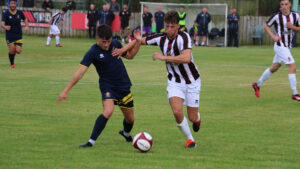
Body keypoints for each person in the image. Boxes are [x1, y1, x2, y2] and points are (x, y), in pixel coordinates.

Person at [57, 24, 142, 148]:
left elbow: (130, 56)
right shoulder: (93, 52)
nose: (107, 45)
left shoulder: (115, 44)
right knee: (108, 111)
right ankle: (91, 142)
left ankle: (126, 133)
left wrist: (138, 42)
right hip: (107, 86)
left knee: (130, 119)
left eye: (108, 41)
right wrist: (66, 90)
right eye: (103, 42)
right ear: (97, 38)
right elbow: (80, 73)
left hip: (123, 85)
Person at [133, 11, 202, 148]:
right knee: (176, 111)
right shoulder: (161, 38)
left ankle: (197, 119)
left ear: (178, 26)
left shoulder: (185, 37)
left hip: (192, 81)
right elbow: (142, 41)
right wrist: (128, 45)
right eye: (167, 26)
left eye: (172, 26)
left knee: (192, 117)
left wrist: (164, 57)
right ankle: (190, 139)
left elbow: (186, 58)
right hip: (174, 82)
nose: (169, 29)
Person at [252, 0, 300, 101]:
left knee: (275, 67)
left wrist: (293, 27)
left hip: (286, 46)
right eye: (282, 4)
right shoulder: (277, 16)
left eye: (286, 4)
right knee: (293, 66)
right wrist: (274, 37)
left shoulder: (296, 16)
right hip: (280, 45)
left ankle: (257, 84)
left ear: (290, 5)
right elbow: (266, 26)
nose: (284, 6)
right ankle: (295, 93)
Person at [1, 0, 29, 68]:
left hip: (18, 35)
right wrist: (5, 27)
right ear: (9, 5)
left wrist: (27, 26)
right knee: (12, 50)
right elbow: (2, 24)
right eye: (11, 3)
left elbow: (25, 19)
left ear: (16, 4)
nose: (13, 5)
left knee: (18, 51)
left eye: (14, 3)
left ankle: (13, 52)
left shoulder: (19, 12)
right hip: (10, 35)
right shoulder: (6, 13)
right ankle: (12, 64)